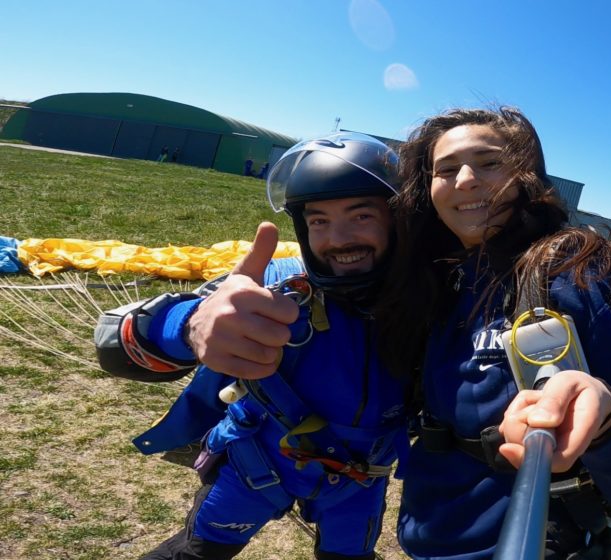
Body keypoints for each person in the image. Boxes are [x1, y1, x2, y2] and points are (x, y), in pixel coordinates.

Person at [376, 107, 611, 559]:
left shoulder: (570, 276)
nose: (465, 179)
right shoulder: (436, 278)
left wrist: (607, 420)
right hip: (430, 537)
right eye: (446, 169)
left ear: (527, 176)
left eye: (489, 162)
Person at [94, 132, 413, 560]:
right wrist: (190, 325)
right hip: (258, 465)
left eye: (360, 217)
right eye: (318, 221)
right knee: (195, 553)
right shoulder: (281, 284)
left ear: (396, 220)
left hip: (358, 481)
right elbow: (120, 334)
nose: (338, 239)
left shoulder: (429, 303)